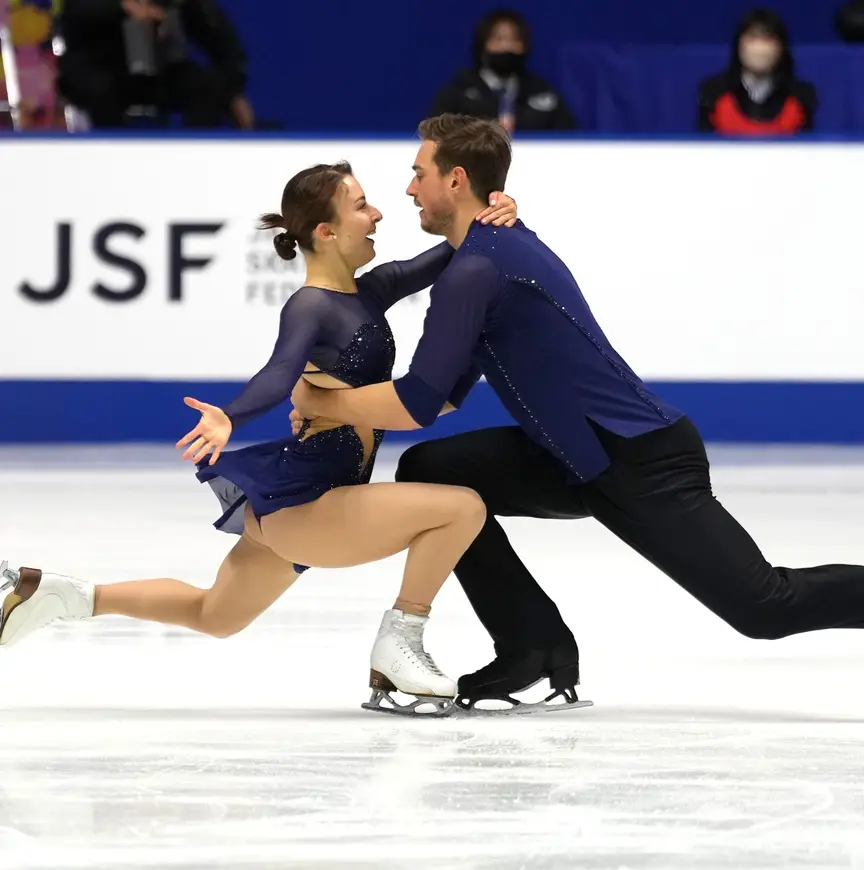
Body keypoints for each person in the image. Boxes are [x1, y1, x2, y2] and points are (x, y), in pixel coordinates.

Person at [290, 113, 864, 713]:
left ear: (456, 180)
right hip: (573, 459)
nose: (410, 189)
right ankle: (532, 645)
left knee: (765, 608)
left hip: (641, 459)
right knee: (433, 471)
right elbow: (446, 396)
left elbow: (417, 403)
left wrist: (322, 402)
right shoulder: (487, 250)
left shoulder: (479, 267)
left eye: (419, 174)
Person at [0, 162, 518, 715]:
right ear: (326, 231)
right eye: (361, 206)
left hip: (294, 501)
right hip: (310, 503)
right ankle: (401, 642)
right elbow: (279, 372)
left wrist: (495, 214)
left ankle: (66, 596)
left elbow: (456, 248)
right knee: (461, 509)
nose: (377, 214)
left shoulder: (373, 290)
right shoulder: (311, 306)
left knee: (215, 616)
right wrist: (230, 416)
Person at [56, 0, 254, 129]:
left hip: (159, 71)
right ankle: (112, 158)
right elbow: (75, 13)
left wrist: (233, 90)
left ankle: (191, 156)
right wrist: (121, 6)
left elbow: (215, 33)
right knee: (98, 89)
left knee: (210, 88)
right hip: (99, 66)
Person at [430, 9, 576, 136]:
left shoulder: (541, 91)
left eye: (515, 40)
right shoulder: (458, 91)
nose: (507, 46)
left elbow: (569, 136)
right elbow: (435, 135)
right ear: (482, 45)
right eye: (499, 39)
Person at [698, 8, 817, 136]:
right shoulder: (713, 93)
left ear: (781, 48)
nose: (759, 48)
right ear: (739, 45)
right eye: (753, 38)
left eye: (767, 39)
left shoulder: (802, 96)